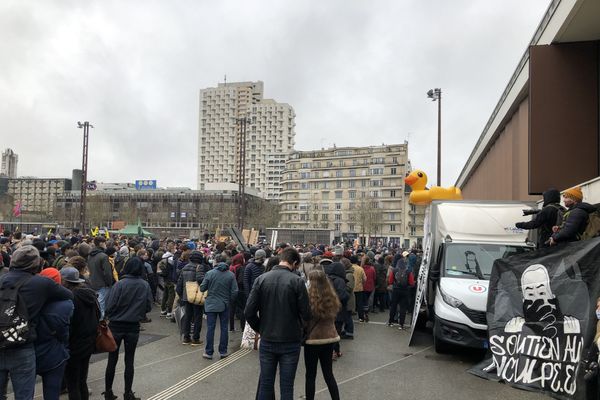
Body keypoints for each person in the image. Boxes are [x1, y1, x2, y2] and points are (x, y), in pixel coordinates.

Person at [0, 245, 73, 400]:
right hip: (22, 346)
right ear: (37, 264)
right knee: (24, 395)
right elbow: (68, 295)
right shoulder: (41, 284)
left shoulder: (1, 279)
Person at [245, 247, 311, 400]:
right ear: (294, 263)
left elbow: (249, 311)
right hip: (290, 339)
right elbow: (306, 314)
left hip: (268, 338)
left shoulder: (261, 279)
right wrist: (300, 328)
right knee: (287, 386)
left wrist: (261, 327)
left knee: (266, 385)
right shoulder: (297, 281)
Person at [103, 257, 153, 400]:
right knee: (129, 361)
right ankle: (128, 393)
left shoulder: (120, 285)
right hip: (133, 326)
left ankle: (108, 392)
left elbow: (109, 305)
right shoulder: (144, 285)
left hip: (116, 325)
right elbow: (148, 306)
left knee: (112, 360)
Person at [61, 266, 100, 400]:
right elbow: (98, 315)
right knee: (82, 380)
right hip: (88, 342)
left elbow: (68, 323)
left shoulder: (70, 297)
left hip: (73, 344)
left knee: (73, 384)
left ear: (65, 281)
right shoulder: (89, 294)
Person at [35, 268, 74, 400]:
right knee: (52, 392)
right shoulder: (66, 304)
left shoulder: (28, 300)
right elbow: (64, 332)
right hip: (54, 352)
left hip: (29, 350)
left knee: (24, 392)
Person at [303, 270, 341, 400]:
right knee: (328, 373)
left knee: (310, 375)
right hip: (329, 338)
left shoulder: (308, 298)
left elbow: (305, 319)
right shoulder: (331, 296)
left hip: (313, 340)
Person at [199, 254, 238, 360]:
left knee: (210, 328)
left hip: (211, 304)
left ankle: (209, 352)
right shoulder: (230, 275)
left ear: (215, 261)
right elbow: (235, 291)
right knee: (224, 328)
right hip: (225, 304)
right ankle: (223, 351)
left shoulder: (210, 273)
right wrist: (228, 300)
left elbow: (202, 288)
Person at [176, 250, 205, 346]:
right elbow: (201, 280)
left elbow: (179, 283)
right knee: (197, 318)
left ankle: (186, 337)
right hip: (196, 296)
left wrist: (181, 295)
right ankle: (195, 338)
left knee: (187, 317)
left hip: (186, 296)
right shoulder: (199, 267)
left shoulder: (185, 267)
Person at [323, 262, 348, 360]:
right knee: (335, 332)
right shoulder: (340, 281)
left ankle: (336, 350)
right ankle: (332, 352)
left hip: (327, 309)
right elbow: (342, 296)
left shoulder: (326, 279)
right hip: (338, 310)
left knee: (330, 331)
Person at [87, 237, 114, 319]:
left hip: (92, 283)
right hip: (102, 284)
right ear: (101, 243)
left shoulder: (90, 255)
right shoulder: (104, 256)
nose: (106, 245)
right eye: (105, 243)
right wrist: (110, 284)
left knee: (96, 306)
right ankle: (100, 328)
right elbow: (108, 273)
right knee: (101, 307)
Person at [388, 257, 415, 330]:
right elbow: (412, 283)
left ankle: (391, 322)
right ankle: (401, 324)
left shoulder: (394, 270)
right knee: (403, 308)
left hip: (396, 290)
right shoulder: (408, 271)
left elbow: (390, 281)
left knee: (393, 306)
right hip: (405, 291)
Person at [361, 252, 376, 322]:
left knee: (364, 300)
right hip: (370, 286)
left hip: (363, 286)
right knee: (366, 299)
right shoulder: (372, 268)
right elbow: (374, 277)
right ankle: (366, 312)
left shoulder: (361, 268)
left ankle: (364, 313)